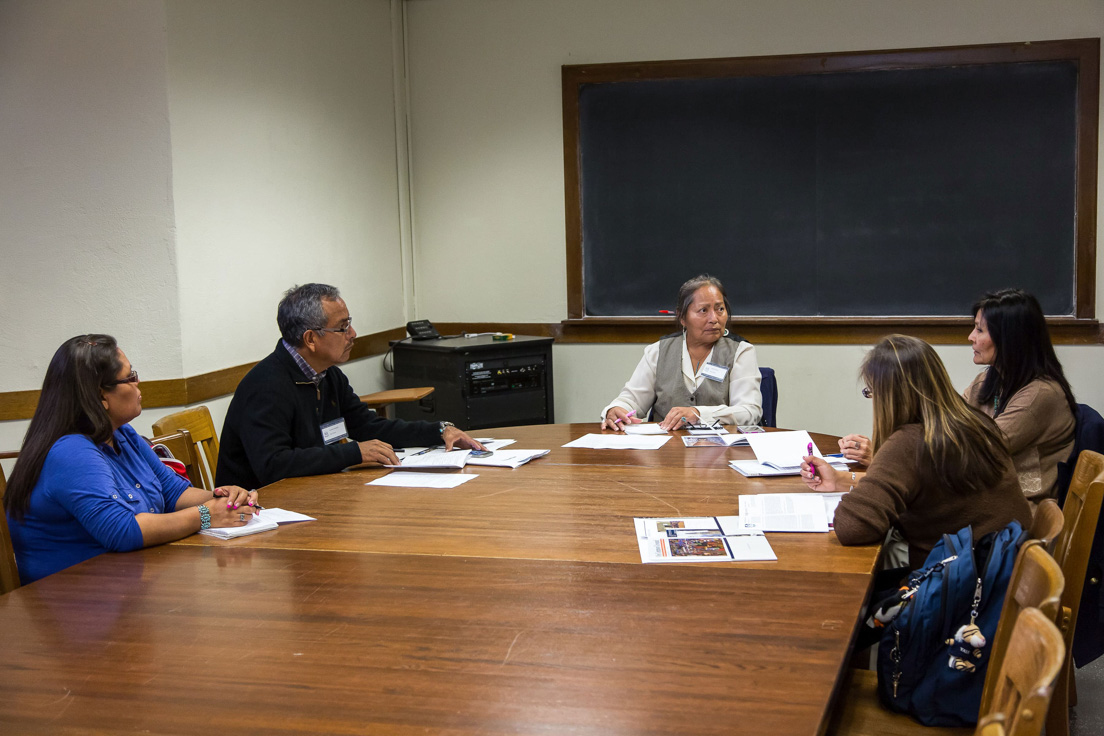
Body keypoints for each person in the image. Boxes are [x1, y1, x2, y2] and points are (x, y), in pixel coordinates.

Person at [3, 335, 258, 585]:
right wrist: (205, 514)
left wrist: (226, 499)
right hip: (72, 600)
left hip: (123, 581)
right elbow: (121, 531)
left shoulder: (122, 432)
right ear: (101, 396)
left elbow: (173, 493)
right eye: (130, 377)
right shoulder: (71, 452)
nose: (138, 383)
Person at [216, 283, 483, 489]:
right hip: (258, 514)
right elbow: (273, 465)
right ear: (311, 339)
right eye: (343, 327)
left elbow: (368, 426)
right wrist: (352, 453)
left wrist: (438, 431)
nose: (353, 335)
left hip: (313, 492)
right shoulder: (266, 386)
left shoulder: (327, 375)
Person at [801, 335, 1031, 571]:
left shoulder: (910, 442)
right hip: (1005, 568)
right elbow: (918, 489)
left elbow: (852, 526)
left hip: (961, 586)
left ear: (889, 396)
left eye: (871, 391)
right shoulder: (974, 422)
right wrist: (842, 480)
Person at [600, 275, 762, 431]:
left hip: (720, 451)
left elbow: (750, 411)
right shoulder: (658, 351)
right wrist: (616, 409)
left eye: (720, 309)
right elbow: (632, 400)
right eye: (703, 310)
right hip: (665, 452)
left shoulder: (740, 351)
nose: (714, 318)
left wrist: (699, 414)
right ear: (682, 317)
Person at [963, 288, 1076, 504]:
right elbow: (951, 420)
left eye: (979, 330)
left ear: (1009, 338)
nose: (971, 337)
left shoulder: (1040, 395)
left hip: (1023, 517)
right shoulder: (988, 382)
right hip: (991, 502)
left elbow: (980, 449)